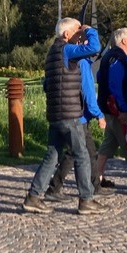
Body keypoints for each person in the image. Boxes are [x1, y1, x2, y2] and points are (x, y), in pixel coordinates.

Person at [21, 18, 106, 215]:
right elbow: (95, 47)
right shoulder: (66, 49)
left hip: (56, 114)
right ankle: (86, 199)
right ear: (67, 34)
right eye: (77, 31)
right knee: (82, 155)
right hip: (70, 114)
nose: (80, 35)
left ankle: (33, 197)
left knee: (52, 156)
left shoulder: (52, 53)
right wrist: (90, 30)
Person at [44, 30, 106, 201]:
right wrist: (98, 114)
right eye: (82, 39)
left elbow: (47, 85)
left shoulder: (55, 54)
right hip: (75, 114)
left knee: (74, 153)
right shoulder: (80, 61)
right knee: (81, 154)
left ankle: (49, 190)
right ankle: (87, 194)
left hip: (63, 112)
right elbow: (87, 91)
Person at [96, 27, 127, 190]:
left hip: (110, 110)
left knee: (109, 143)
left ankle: (97, 176)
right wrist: (124, 110)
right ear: (124, 40)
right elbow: (116, 86)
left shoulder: (108, 57)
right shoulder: (118, 59)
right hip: (119, 111)